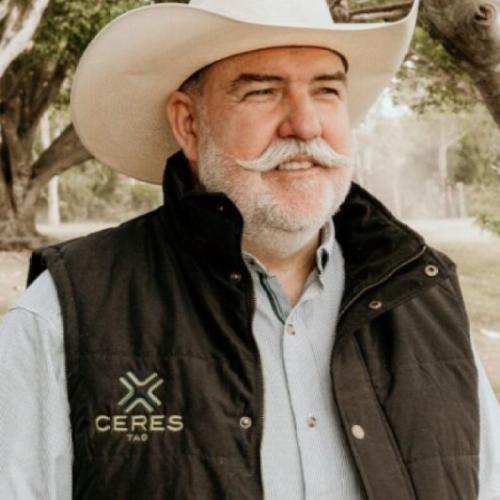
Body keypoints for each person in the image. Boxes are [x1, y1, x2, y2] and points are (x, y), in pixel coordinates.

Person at [0, 0, 499, 498]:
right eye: (263, 91)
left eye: (326, 91)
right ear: (188, 124)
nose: (305, 125)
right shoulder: (64, 314)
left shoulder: (425, 298)